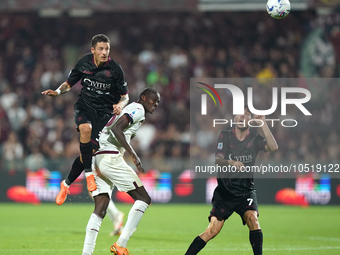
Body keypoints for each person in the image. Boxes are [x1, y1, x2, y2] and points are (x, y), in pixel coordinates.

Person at [41, 34, 129, 206]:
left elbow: (125, 96)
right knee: (85, 130)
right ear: (93, 50)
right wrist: (57, 92)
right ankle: (89, 175)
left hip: (104, 114)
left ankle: (65, 184)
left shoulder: (115, 69)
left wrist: (120, 103)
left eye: (107, 49)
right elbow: (68, 83)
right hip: (85, 107)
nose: (104, 52)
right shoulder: (84, 63)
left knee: (88, 153)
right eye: (101, 49)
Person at [185, 105, 278, 255]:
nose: (242, 116)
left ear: (251, 119)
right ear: (234, 118)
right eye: (239, 114)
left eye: (246, 114)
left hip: (246, 192)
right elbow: (217, 159)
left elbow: (273, 147)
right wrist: (230, 162)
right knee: (212, 230)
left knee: (253, 220)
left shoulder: (255, 139)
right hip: (225, 192)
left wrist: (264, 124)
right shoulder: (225, 136)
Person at [82, 88, 160, 255]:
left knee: (101, 207)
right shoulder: (137, 109)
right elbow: (116, 129)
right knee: (144, 199)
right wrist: (134, 155)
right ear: (143, 98)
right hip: (109, 158)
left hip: (99, 157)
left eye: (158, 103)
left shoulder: (132, 108)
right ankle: (121, 244)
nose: (155, 105)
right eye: (153, 101)